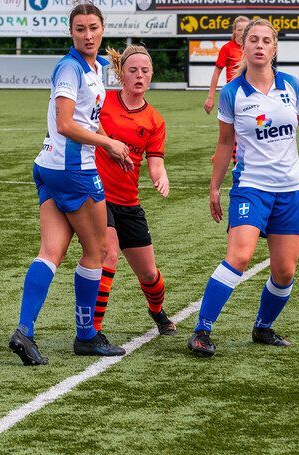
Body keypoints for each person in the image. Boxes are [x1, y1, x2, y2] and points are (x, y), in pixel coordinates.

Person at [188, 18, 299, 357]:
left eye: (266, 40)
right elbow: (225, 144)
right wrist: (214, 188)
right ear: (244, 46)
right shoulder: (233, 92)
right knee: (239, 256)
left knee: (285, 272)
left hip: (289, 190)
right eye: (253, 39)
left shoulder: (291, 85)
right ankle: (202, 330)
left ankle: (263, 328)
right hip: (251, 186)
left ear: (274, 48)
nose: (259, 45)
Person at [9, 3, 132, 366]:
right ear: (71, 32)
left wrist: (108, 143)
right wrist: (108, 144)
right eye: (80, 29)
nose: (88, 35)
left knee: (51, 252)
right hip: (72, 169)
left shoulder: (95, 68)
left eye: (93, 27)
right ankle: (86, 336)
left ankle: (24, 331)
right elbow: (65, 123)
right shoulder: (69, 68)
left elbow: (87, 120)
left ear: (102, 28)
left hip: (48, 166)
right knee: (97, 252)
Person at [93, 45, 176, 336]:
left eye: (144, 71)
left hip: (129, 203)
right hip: (98, 196)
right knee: (108, 255)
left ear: (151, 75)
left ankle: (156, 311)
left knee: (149, 274)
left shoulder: (155, 121)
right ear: (121, 75)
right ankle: (93, 330)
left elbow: (155, 163)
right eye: (132, 70)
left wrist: (160, 176)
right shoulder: (102, 101)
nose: (139, 75)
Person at [203, 16, 250, 114]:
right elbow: (216, 73)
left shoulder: (253, 48)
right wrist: (210, 97)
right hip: (233, 94)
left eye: (245, 29)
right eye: (239, 29)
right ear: (234, 31)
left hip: (251, 93)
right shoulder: (227, 48)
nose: (242, 33)